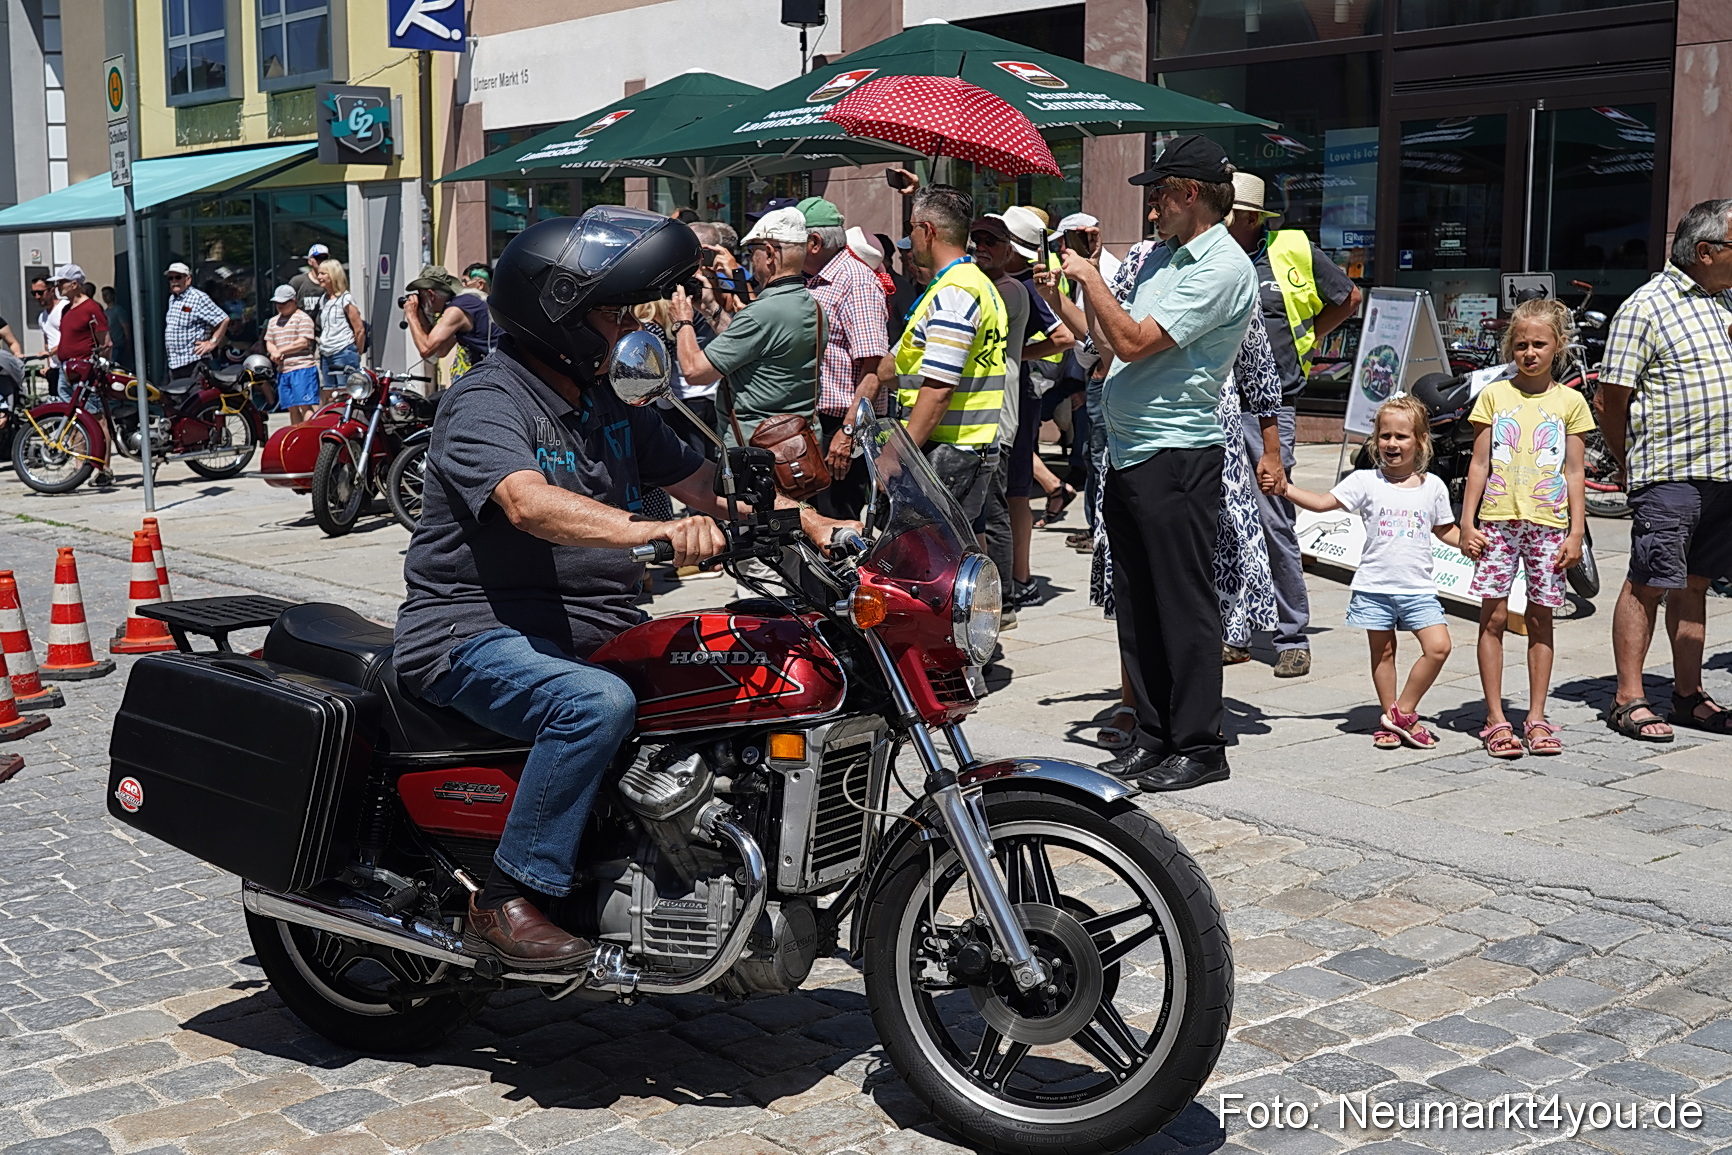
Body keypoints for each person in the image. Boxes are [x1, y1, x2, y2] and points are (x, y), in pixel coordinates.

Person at [393, 209, 848, 969]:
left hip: (593, 628)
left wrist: (817, 524)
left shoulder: (606, 401)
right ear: (560, 317)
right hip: (469, 633)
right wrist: (656, 532)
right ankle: (504, 897)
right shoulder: (488, 399)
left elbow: (701, 482)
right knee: (594, 704)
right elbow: (527, 503)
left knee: (735, 657)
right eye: (614, 314)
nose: (631, 328)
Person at [1050, 136, 1254, 791]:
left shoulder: (1221, 265)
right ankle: (1154, 734)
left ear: (1191, 193)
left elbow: (1136, 343)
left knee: (1182, 603)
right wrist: (1073, 294)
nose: (1153, 207)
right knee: (1138, 602)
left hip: (1177, 453)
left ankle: (1199, 744)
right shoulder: (1165, 257)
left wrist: (1090, 278)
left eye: (1160, 194)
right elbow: (1111, 339)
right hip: (1133, 449)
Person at [1598, 198, 1732, 741]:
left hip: (1723, 471)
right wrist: (1629, 462)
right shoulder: (1646, 307)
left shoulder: (1724, 302)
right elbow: (1610, 399)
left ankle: (1687, 694)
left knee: (1696, 583)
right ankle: (1628, 698)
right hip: (1671, 470)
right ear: (1706, 251)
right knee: (1649, 581)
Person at [1226, 172, 1364, 679]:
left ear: (1246, 217)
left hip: (1273, 405)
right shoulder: (1209, 255)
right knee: (1225, 518)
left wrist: (1306, 339)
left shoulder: (1290, 249)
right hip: (1217, 404)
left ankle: (1291, 635)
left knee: (1271, 516)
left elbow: (1348, 298)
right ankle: (1235, 629)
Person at [1283, 396, 1461, 751]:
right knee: (1383, 654)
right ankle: (1390, 720)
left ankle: (1401, 713)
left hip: (1418, 589)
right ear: (1375, 439)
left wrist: (1471, 543)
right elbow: (1321, 504)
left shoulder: (1433, 487)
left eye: (1401, 436)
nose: (1392, 444)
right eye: (1385, 436)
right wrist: (1283, 488)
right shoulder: (1364, 481)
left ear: (1420, 441)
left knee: (1439, 647)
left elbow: (1445, 530)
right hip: (1374, 587)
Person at [1457, 299, 1593, 758]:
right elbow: (1479, 464)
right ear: (1510, 348)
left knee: (1541, 618)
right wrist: (1467, 521)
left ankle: (1536, 716)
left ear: (1558, 345)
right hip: (1498, 522)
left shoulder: (1571, 402)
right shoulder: (1494, 397)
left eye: (1539, 344)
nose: (1529, 353)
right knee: (1493, 617)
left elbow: (1575, 471)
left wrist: (1576, 532)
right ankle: (1495, 717)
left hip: (1548, 525)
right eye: (1520, 345)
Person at [884, 185, 1009, 524]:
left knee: (928, 554)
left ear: (927, 231)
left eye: (912, 227)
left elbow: (939, 389)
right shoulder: (974, 284)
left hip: (947, 451)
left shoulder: (954, 294)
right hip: (964, 449)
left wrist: (896, 454)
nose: (910, 237)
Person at [666, 207, 819, 443]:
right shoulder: (812, 305)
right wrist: (711, 309)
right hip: (798, 443)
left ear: (769, 254)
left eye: (752, 251)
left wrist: (682, 321)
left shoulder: (764, 312)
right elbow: (749, 347)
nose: (750, 259)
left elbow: (695, 372)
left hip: (756, 449)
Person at [800, 197, 889, 521]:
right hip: (814, 423)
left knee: (839, 524)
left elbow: (874, 368)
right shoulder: (813, 279)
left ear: (814, 242)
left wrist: (847, 433)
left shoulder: (856, 281)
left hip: (840, 425)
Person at [970, 215, 1036, 630]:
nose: (981, 247)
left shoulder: (1008, 291)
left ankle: (1005, 602)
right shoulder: (979, 285)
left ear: (1008, 249)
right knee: (979, 513)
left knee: (994, 512)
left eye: (990, 241)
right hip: (979, 412)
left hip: (997, 414)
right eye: (975, 239)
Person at [402, 265, 498, 380]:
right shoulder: (464, 303)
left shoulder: (457, 309)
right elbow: (440, 351)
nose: (420, 301)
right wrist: (421, 315)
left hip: (498, 370)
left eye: (421, 296)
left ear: (431, 295)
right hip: (495, 368)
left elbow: (426, 349)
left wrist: (411, 315)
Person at [163, 261, 230, 390]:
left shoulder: (198, 298)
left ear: (188, 279)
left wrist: (212, 342)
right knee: (176, 400)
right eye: (171, 278)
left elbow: (223, 319)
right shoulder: (172, 299)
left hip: (193, 362)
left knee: (195, 399)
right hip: (174, 364)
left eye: (178, 277)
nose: (174, 281)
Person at [265, 285, 319, 423]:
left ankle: (309, 433)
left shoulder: (303, 318)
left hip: (302, 368)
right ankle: (297, 433)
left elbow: (303, 342)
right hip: (283, 370)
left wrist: (280, 351)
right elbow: (269, 341)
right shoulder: (273, 321)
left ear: (293, 300)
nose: (280, 306)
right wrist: (274, 352)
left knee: (305, 406)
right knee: (292, 408)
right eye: (277, 302)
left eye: (283, 302)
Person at [50, 265, 109, 390]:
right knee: (66, 402)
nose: (57, 286)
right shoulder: (66, 309)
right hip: (65, 370)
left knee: (87, 402)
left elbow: (106, 343)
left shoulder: (92, 308)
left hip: (84, 372)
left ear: (74, 284)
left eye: (61, 282)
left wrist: (99, 371)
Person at [313, 258, 366, 396]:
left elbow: (359, 329)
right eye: (319, 273)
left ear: (333, 275)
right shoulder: (323, 299)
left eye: (323, 273)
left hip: (343, 351)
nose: (319, 277)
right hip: (326, 352)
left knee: (346, 393)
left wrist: (357, 352)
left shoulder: (345, 298)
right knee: (330, 394)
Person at [32, 276, 65, 398]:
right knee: (55, 404)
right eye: (34, 293)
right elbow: (47, 342)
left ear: (52, 290)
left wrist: (50, 352)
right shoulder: (42, 317)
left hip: (68, 367)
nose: (37, 296)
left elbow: (70, 340)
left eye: (40, 292)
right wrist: (49, 365)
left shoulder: (64, 308)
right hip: (55, 369)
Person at [290, 243, 331, 323]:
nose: (322, 261)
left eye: (325, 258)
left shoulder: (331, 282)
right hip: (302, 327)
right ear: (309, 261)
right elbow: (286, 305)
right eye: (318, 258)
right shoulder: (297, 282)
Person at [100, 287, 132, 371]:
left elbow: (126, 327)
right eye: (103, 295)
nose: (104, 297)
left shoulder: (118, 310)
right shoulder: (105, 312)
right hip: (109, 347)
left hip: (118, 344)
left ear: (113, 295)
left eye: (107, 294)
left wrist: (128, 342)